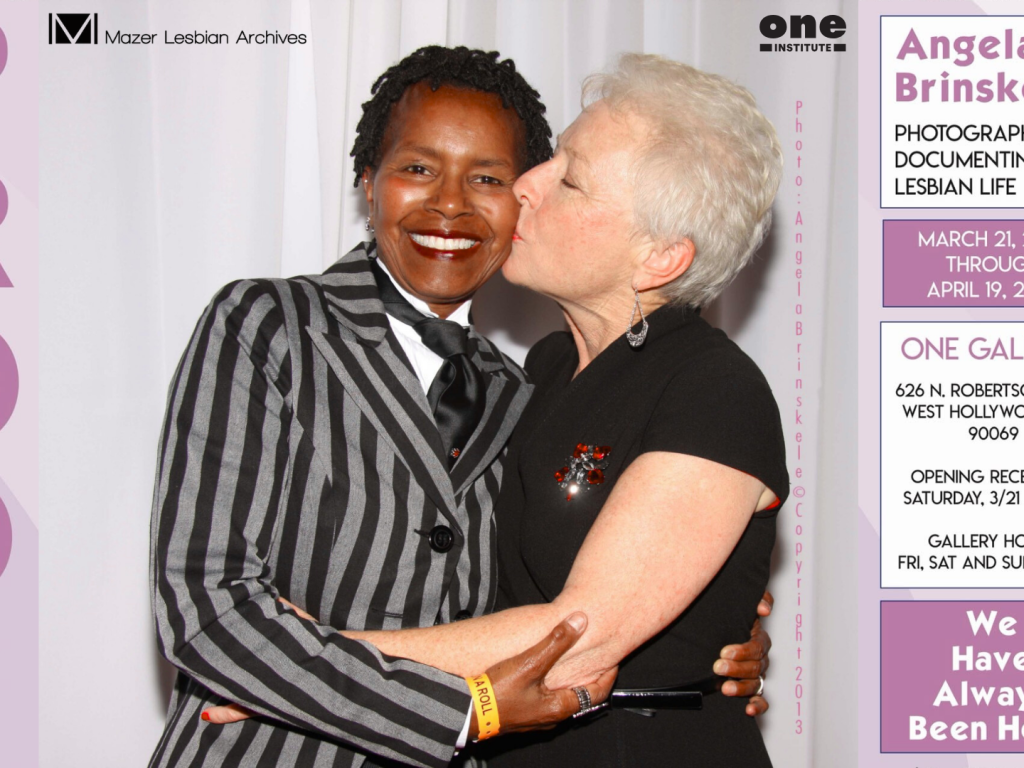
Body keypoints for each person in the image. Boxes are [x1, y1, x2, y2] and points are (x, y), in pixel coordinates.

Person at [149, 47, 772, 768]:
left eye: (492, 177)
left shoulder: (519, 386)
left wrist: (703, 633)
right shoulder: (272, 327)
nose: (454, 202)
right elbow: (206, 603)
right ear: (368, 182)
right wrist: (467, 708)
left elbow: (575, 613)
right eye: (417, 168)